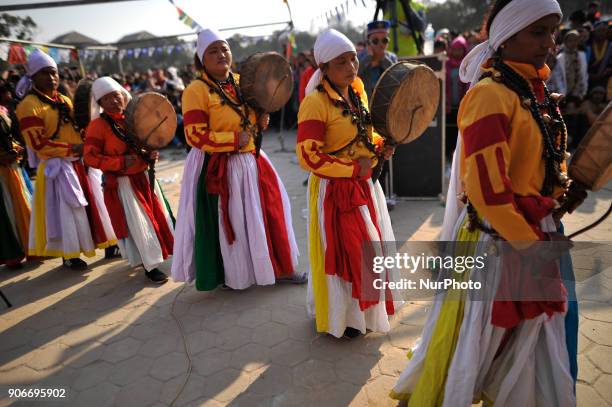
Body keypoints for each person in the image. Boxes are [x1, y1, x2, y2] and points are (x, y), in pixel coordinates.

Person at [391, 0, 579, 404]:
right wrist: (530, 246)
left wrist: (561, 193)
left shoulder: (535, 88)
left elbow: (543, 163)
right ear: (507, 37)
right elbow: (488, 193)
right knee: (479, 344)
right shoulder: (490, 96)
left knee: (536, 345)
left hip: (537, 233)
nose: (550, 42)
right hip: (501, 242)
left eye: (553, 30)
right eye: (538, 32)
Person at [171, 28, 300, 291]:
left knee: (268, 212)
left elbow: (252, 118)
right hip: (219, 166)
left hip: (251, 159)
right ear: (201, 59)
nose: (221, 55)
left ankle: (279, 267)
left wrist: (261, 120)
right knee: (232, 221)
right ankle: (234, 275)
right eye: (213, 51)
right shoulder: (195, 90)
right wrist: (231, 140)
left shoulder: (242, 81)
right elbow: (194, 135)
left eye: (224, 49)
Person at [297, 29, 398, 339]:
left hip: (365, 185)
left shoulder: (357, 89)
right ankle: (345, 319)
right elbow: (308, 157)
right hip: (336, 190)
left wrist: (380, 145)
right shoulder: (315, 103)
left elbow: (364, 133)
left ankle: (365, 314)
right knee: (347, 255)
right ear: (324, 68)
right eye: (341, 62)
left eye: (353, 58)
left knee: (369, 250)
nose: (351, 66)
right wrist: (353, 168)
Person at [15, 49, 117, 270]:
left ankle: (109, 243)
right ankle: (69, 254)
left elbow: (79, 126)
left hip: (79, 161)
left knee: (97, 204)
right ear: (32, 77)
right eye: (45, 73)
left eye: (54, 73)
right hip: (57, 168)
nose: (52, 78)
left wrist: (88, 141)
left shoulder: (63, 99)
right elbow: (39, 144)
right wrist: (74, 148)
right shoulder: (28, 106)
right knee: (67, 213)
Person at [84, 77, 175, 283]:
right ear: (100, 104)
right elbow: (90, 157)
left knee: (156, 218)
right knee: (139, 224)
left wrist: (149, 154)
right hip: (124, 182)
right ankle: (150, 267)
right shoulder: (97, 127)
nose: (114, 102)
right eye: (107, 99)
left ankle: (156, 255)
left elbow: (146, 142)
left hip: (143, 176)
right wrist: (120, 162)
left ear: (123, 95)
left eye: (116, 96)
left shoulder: (134, 117)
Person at [0, 104, 32, 269]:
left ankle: (30, 247)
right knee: (6, 213)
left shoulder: (2, 110)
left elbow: (9, 137)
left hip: (12, 167)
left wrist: (17, 149)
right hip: (3, 169)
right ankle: (11, 255)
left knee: (21, 205)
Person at [358, 20, 398, 99]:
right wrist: (368, 59)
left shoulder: (392, 57)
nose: (381, 44)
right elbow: (355, 74)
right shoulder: (360, 57)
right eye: (375, 41)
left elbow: (396, 77)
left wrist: (383, 59)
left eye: (384, 40)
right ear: (368, 42)